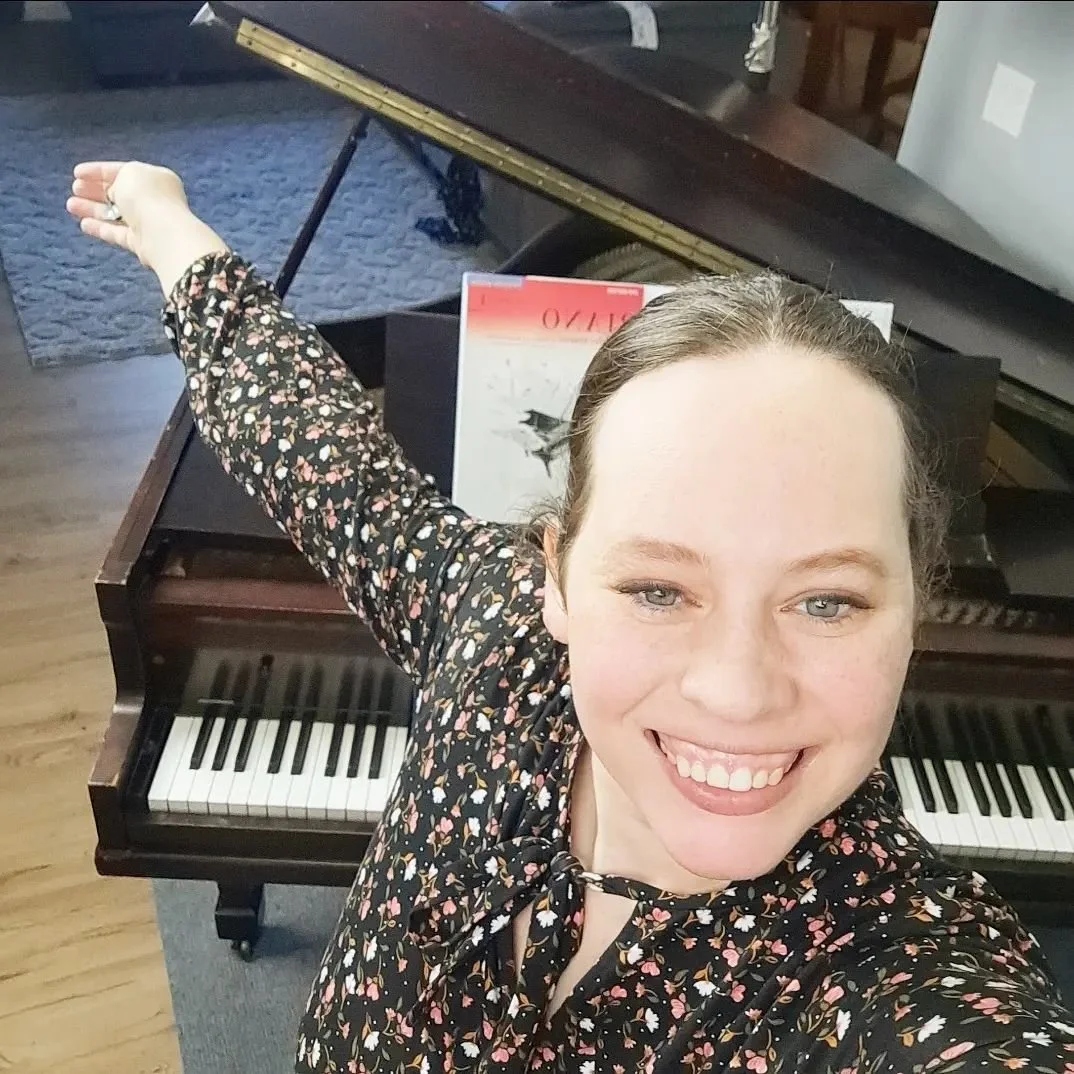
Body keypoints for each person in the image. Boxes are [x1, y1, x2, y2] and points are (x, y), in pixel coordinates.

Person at [68, 161, 1074, 1074]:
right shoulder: (501, 632)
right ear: (553, 576)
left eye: (826, 600)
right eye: (656, 588)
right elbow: (309, 437)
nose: (736, 688)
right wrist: (167, 224)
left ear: (915, 606)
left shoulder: (904, 972)